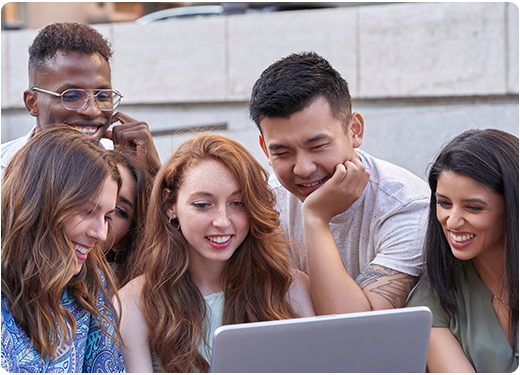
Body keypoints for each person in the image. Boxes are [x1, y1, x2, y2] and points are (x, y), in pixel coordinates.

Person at [249, 52, 430, 315]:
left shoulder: (408, 207)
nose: (303, 168)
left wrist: (315, 218)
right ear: (265, 149)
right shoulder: (265, 203)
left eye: (318, 145)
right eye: (282, 152)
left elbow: (356, 333)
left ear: (354, 130)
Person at [118, 133, 315, 372]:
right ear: (171, 205)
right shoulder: (134, 303)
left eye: (238, 203)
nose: (222, 221)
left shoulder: (291, 288)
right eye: (203, 205)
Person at [1, 127, 125, 372]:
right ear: (42, 203)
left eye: (108, 217)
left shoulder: (88, 283)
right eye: (88, 211)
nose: (100, 234)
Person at [406, 129, 518, 372]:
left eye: (473, 207)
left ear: (512, 206)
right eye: (444, 203)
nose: (452, 221)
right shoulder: (432, 299)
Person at [0, 22, 161, 180]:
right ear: (32, 103)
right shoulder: (4, 169)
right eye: (71, 96)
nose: (92, 111)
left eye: (103, 96)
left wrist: (152, 172)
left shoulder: (128, 169)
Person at [103, 150, 153, 288]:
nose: (105, 211)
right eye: (97, 193)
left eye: (119, 210)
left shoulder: (122, 297)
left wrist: (158, 171)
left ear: (123, 241)